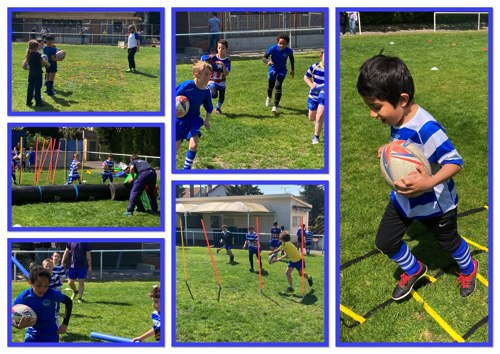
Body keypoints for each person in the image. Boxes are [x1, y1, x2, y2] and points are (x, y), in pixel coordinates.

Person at [357, 54, 478, 300]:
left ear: (402, 100)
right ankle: (414, 269)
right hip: (403, 200)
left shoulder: (427, 129)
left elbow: (455, 162)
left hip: (436, 204)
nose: (372, 114)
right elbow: (407, 147)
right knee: (385, 241)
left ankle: (468, 268)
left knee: (448, 243)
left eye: (376, 107)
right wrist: (389, 149)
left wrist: (428, 182)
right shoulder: (399, 118)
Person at [13, 265, 73, 342]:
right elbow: (12, 314)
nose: (43, 289)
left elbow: (68, 302)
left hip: (51, 333)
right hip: (32, 333)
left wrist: (65, 323)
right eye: (39, 285)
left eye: (46, 285)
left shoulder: (51, 293)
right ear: (30, 282)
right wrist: (18, 325)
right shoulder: (24, 297)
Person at [175, 60, 213, 170]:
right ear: (197, 74)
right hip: (179, 119)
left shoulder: (206, 91)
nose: (208, 77)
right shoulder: (186, 86)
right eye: (206, 74)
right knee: (176, 147)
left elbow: (209, 108)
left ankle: (186, 170)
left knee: (193, 145)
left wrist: (206, 121)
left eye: (209, 75)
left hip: (194, 119)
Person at [262, 34, 295, 116]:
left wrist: (292, 70)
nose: (282, 45)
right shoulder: (273, 48)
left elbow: (291, 59)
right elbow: (263, 58)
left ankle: (275, 106)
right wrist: (268, 62)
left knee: (278, 85)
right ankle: (269, 97)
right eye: (280, 43)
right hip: (272, 70)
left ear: (287, 44)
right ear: (277, 42)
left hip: (282, 70)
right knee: (270, 87)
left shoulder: (289, 51)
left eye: (284, 44)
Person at [202, 39, 231, 115]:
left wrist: (223, 65)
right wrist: (207, 58)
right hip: (212, 81)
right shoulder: (213, 58)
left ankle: (217, 108)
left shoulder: (227, 61)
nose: (220, 50)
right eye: (219, 48)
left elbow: (227, 73)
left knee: (222, 98)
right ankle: (205, 99)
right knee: (214, 95)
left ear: (226, 49)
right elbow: (202, 58)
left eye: (223, 48)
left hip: (222, 82)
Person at [304, 49, 325, 145]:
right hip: (313, 95)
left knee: (320, 115)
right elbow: (306, 77)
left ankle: (316, 136)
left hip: (324, 94)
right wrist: (312, 85)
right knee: (311, 118)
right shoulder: (315, 66)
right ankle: (316, 122)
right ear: (321, 56)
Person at [25, 39, 50, 106]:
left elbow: (26, 63)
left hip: (31, 73)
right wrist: (48, 64)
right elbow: (43, 61)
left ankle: (28, 101)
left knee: (30, 87)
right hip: (37, 73)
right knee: (37, 88)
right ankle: (38, 102)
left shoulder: (28, 54)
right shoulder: (37, 54)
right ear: (36, 47)